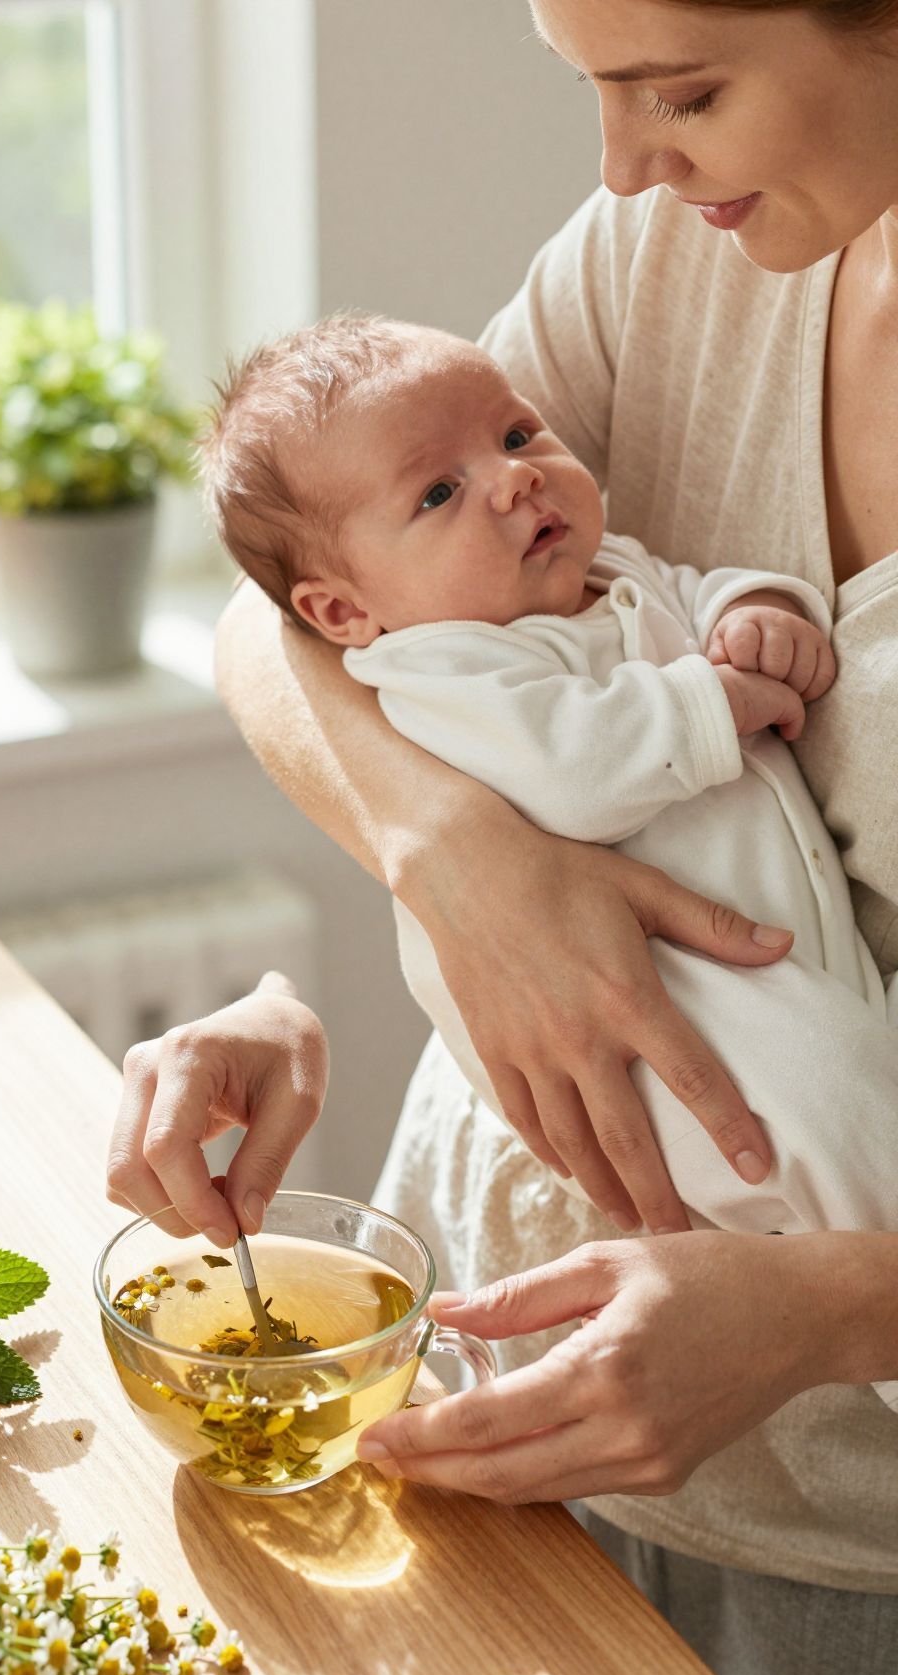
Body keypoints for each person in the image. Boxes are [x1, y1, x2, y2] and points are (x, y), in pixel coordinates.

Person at [108, 0, 898, 1675]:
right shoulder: (676, 251)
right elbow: (290, 609)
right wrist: (451, 851)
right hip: (474, 1386)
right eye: (595, 89)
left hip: (843, 1556)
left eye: (679, 90)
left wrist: (828, 1304)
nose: (618, 164)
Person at [200, 313, 898, 1412]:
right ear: (346, 611)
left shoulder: (598, 572)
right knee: (833, 1111)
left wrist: (754, 609)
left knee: (860, 1077)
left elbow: (686, 585)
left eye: (520, 433)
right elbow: (572, 766)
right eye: (437, 493)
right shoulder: (437, 666)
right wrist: (708, 699)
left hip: (774, 953)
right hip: (664, 1007)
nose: (515, 481)